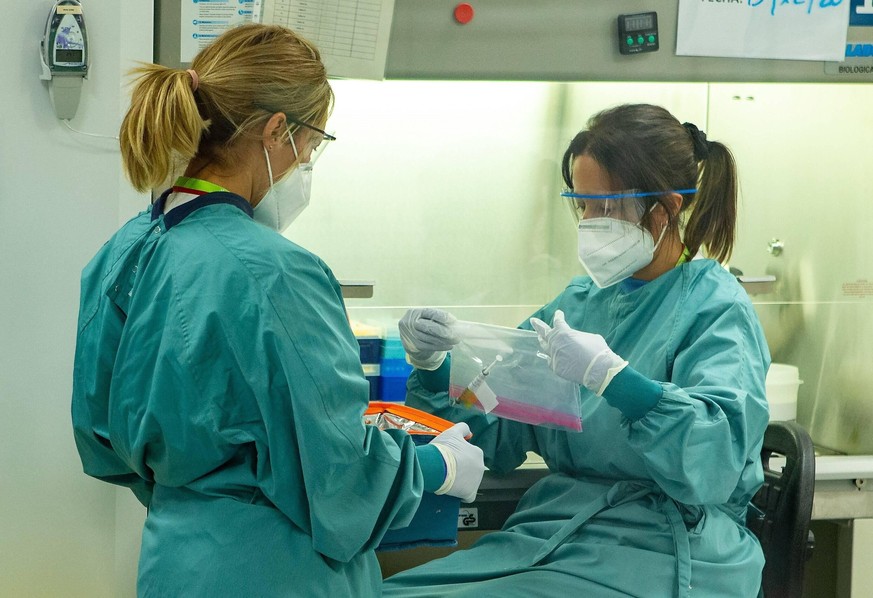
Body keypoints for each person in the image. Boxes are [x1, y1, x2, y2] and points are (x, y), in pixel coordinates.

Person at [70, 23, 484, 597]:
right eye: (313, 145)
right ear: (276, 131)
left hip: (177, 561)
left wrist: (205, 493)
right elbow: (342, 471)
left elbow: (101, 440)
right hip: (278, 567)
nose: (308, 163)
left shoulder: (123, 252)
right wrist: (438, 468)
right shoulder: (278, 271)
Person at [383, 103, 770, 597]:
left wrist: (616, 380)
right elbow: (494, 433)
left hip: (665, 549)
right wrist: (435, 368)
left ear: (666, 207)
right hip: (555, 532)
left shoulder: (716, 308)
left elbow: (712, 463)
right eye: (582, 204)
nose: (589, 222)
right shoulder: (579, 305)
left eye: (606, 207)